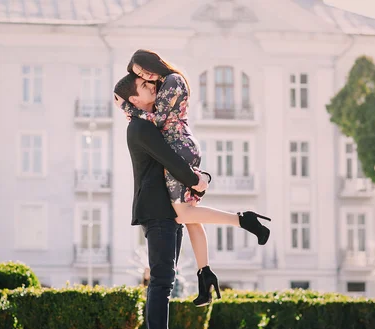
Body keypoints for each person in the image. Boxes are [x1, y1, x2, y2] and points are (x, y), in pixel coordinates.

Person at [115, 49, 271, 307]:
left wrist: (127, 107)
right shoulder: (166, 83)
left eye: (144, 71)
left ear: (152, 63)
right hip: (180, 145)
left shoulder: (173, 82)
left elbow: (159, 119)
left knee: (182, 215)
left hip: (179, 148)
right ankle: (205, 275)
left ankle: (243, 220)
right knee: (191, 218)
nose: (146, 76)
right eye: (140, 76)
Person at [115, 72, 203, 329]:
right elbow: (170, 159)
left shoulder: (144, 122)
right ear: (134, 99)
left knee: (165, 279)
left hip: (164, 209)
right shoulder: (140, 128)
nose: (152, 86)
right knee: (162, 281)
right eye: (144, 85)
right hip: (157, 209)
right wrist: (197, 182)